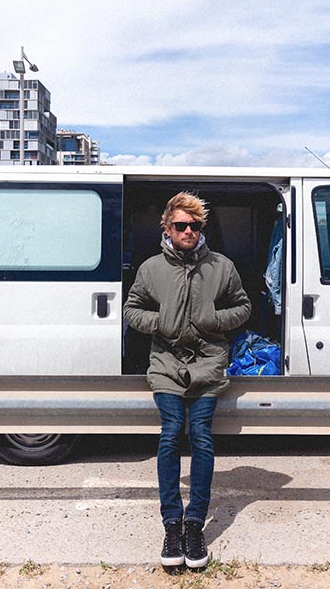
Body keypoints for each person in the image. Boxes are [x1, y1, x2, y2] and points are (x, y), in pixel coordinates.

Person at [123, 192, 251, 569]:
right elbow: (132, 309)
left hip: (209, 363)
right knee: (170, 432)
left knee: (201, 436)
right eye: (181, 225)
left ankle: (194, 525)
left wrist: (213, 319)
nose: (189, 231)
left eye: (195, 226)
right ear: (167, 228)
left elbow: (243, 306)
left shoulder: (221, 266)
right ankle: (171, 524)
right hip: (165, 363)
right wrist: (160, 322)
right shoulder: (150, 269)